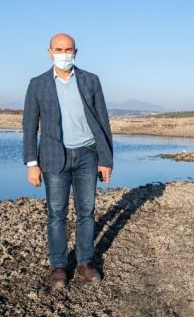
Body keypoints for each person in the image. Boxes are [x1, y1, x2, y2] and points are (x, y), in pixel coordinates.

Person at [22, 33, 114, 288]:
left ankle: (85, 262)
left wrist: (106, 160)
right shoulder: (37, 84)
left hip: (87, 155)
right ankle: (59, 267)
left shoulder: (90, 81)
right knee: (56, 215)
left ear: (76, 51)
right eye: (59, 49)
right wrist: (32, 164)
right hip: (53, 157)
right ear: (49, 52)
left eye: (69, 49)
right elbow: (30, 126)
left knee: (86, 212)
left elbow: (103, 122)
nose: (64, 54)